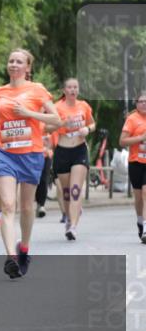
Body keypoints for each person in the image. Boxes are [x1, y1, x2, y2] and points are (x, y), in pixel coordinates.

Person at [0, 50, 61, 278]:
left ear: (27, 68)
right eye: (11, 60)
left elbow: (56, 119)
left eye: (19, 61)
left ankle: (24, 248)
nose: (13, 64)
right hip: (4, 152)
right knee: (8, 205)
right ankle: (11, 257)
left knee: (27, 207)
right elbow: (3, 120)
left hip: (30, 154)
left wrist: (29, 112)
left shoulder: (37, 90)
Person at [53, 79, 95, 240]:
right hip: (62, 151)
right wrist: (62, 123)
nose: (72, 90)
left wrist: (87, 129)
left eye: (75, 87)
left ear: (78, 90)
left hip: (79, 150)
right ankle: (70, 217)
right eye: (69, 87)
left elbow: (92, 124)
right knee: (66, 192)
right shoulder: (57, 107)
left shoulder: (83, 106)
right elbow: (47, 127)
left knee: (75, 190)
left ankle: (73, 226)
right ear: (64, 90)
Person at [119, 91, 146, 244]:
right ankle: (140, 221)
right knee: (138, 197)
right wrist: (140, 138)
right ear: (136, 104)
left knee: (145, 192)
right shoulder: (132, 119)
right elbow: (122, 142)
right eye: (141, 101)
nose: (144, 104)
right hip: (135, 161)